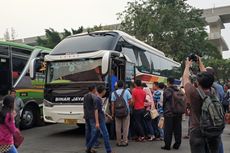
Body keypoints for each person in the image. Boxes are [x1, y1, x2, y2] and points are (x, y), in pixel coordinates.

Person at [183, 57, 221, 153]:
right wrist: (200, 62)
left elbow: (185, 78)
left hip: (197, 130)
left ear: (198, 82)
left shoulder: (192, 92)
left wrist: (187, 65)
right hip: (213, 130)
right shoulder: (213, 91)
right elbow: (207, 76)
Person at [161, 77, 183, 150]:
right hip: (178, 112)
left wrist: (164, 110)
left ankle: (167, 145)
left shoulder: (167, 90)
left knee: (168, 130)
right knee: (178, 129)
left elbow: (164, 102)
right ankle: (177, 144)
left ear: (168, 82)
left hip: (169, 113)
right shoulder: (178, 90)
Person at [95, 85, 115, 153]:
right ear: (103, 91)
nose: (105, 91)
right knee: (106, 135)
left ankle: (89, 147)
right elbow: (96, 111)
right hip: (100, 120)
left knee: (96, 134)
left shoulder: (99, 99)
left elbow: (101, 110)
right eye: (105, 90)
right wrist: (97, 122)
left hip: (101, 118)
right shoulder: (98, 99)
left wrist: (107, 115)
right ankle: (109, 150)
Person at [111, 80, 131, 146]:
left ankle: (118, 142)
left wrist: (113, 114)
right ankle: (125, 141)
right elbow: (131, 101)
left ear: (117, 86)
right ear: (123, 85)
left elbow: (113, 105)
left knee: (118, 127)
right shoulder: (127, 91)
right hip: (126, 112)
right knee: (125, 127)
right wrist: (128, 106)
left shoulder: (113, 93)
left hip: (117, 112)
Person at [83, 84, 98, 153]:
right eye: (95, 88)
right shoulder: (94, 97)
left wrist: (84, 114)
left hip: (86, 116)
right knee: (94, 131)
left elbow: (84, 107)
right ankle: (90, 146)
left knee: (87, 131)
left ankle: (88, 145)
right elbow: (95, 109)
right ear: (94, 89)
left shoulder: (85, 96)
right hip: (92, 116)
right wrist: (97, 121)